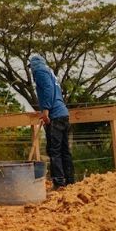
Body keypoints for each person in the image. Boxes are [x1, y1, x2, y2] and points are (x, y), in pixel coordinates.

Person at [28, 53, 75, 189]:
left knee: (54, 151)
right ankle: (70, 182)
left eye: (31, 66)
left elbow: (48, 89)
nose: (31, 69)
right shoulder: (51, 73)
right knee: (65, 151)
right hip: (63, 114)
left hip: (54, 116)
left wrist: (46, 111)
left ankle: (59, 183)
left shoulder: (40, 71)